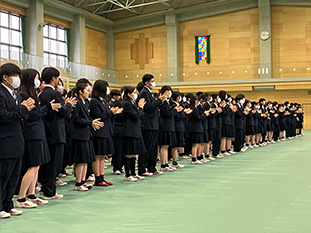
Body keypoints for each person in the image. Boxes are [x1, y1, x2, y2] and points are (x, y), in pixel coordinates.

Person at [16, 69, 61, 208]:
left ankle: (31, 194)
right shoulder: (22, 95)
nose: (39, 81)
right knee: (33, 166)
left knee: (37, 166)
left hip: (38, 132)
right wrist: (48, 107)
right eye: (36, 78)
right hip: (32, 134)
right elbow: (32, 115)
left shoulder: (33, 94)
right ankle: (21, 198)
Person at [0, 63, 35, 218]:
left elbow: (19, 115)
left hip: (17, 139)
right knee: (4, 176)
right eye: (14, 76)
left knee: (14, 175)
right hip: (5, 140)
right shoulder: (1, 93)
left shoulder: (14, 94)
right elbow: (3, 116)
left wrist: (26, 109)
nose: (17, 79)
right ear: (5, 77)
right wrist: (23, 109)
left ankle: (8, 204)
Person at [39, 67, 76, 200]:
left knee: (48, 162)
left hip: (47, 131)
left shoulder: (42, 93)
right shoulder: (54, 94)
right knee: (54, 163)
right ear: (54, 78)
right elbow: (63, 112)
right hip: (56, 132)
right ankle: (49, 191)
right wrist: (69, 105)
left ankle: (45, 188)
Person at [70, 83, 103, 191]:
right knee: (81, 160)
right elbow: (76, 119)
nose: (89, 92)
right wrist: (90, 122)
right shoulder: (77, 102)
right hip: (79, 134)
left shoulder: (85, 103)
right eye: (87, 90)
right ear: (80, 91)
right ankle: (78, 183)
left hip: (86, 134)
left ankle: (83, 181)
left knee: (86, 159)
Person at [89, 80, 121, 186]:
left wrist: (113, 113)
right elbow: (98, 116)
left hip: (106, 130)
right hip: (99, 131)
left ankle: (102, 176)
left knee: (103, 155)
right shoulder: (94, 101)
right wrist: (110, 112)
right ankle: (97, 178)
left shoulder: (103, 100)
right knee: (98, 155)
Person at [136, 74, 166, 176]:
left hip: (154, 123)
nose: (154, 83)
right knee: (147, 147)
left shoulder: (150, 92)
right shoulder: (144, 93)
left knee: (153, 147)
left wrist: (160, 101)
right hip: (148, 123)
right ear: (146, 83)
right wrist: (159, 100)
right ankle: (142, 169)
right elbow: (148, 107)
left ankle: (151, 167)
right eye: (152, 81)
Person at [122, 86, 146, 181]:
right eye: (134, 92)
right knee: (129, 153)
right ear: (128, 94)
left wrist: (139, 108)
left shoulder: (132, 103)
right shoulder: (127, 104)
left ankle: (133, 173)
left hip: (136, 130)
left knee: (134, 153)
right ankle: (128, 175)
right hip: (129, 131)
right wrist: (140, 108)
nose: (135, 94)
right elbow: (136, 116)